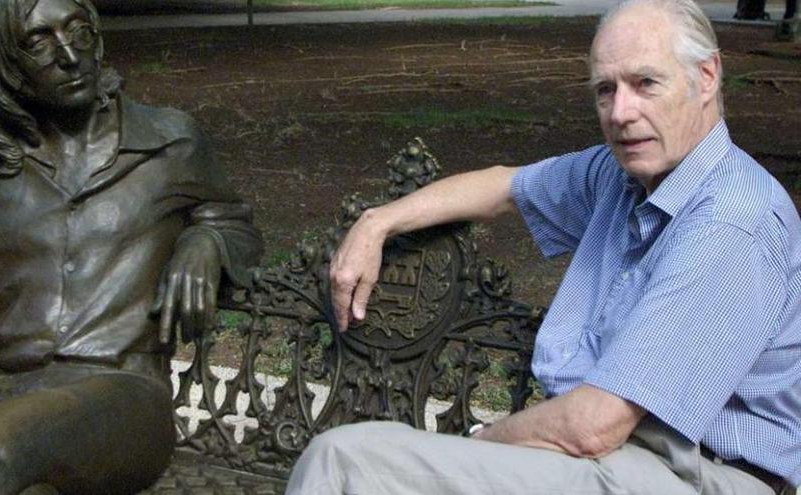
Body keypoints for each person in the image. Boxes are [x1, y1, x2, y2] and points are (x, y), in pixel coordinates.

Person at [286, 0, 801, 494]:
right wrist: (377, 223)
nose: (621, 112)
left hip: (690, 475)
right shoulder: (618, 178)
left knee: (346, 463)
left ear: (706, 77)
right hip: (605, 458)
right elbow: (502, 186)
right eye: (606, 89)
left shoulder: (733, 222)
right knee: (370, 452)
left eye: (646, 84)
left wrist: (483, 445)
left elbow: (594, 425)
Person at [0, 0, 263, 493]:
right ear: (2, 61)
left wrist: (206, 240)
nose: (69, 55)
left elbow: (236, 224)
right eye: (39, 42)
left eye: (79, 31)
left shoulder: (169, 143)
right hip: (11, 396)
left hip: (125, 398)